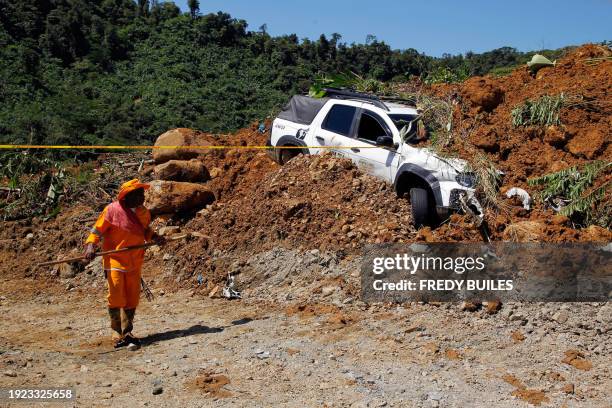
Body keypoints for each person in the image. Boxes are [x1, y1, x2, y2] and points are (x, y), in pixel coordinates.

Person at [83, 179, 164, 348]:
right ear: (127, 196)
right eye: (139, 193)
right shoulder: (112, 210)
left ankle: (127, 331)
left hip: (135, 260)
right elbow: (97, 230)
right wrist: (91, 246)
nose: (143, 196)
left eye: (142, 193)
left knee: (132, 296)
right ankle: (116, 330)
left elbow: (145, 230)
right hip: (115, 259)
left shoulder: (143, 212)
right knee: (117, 294)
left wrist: (155, 237)